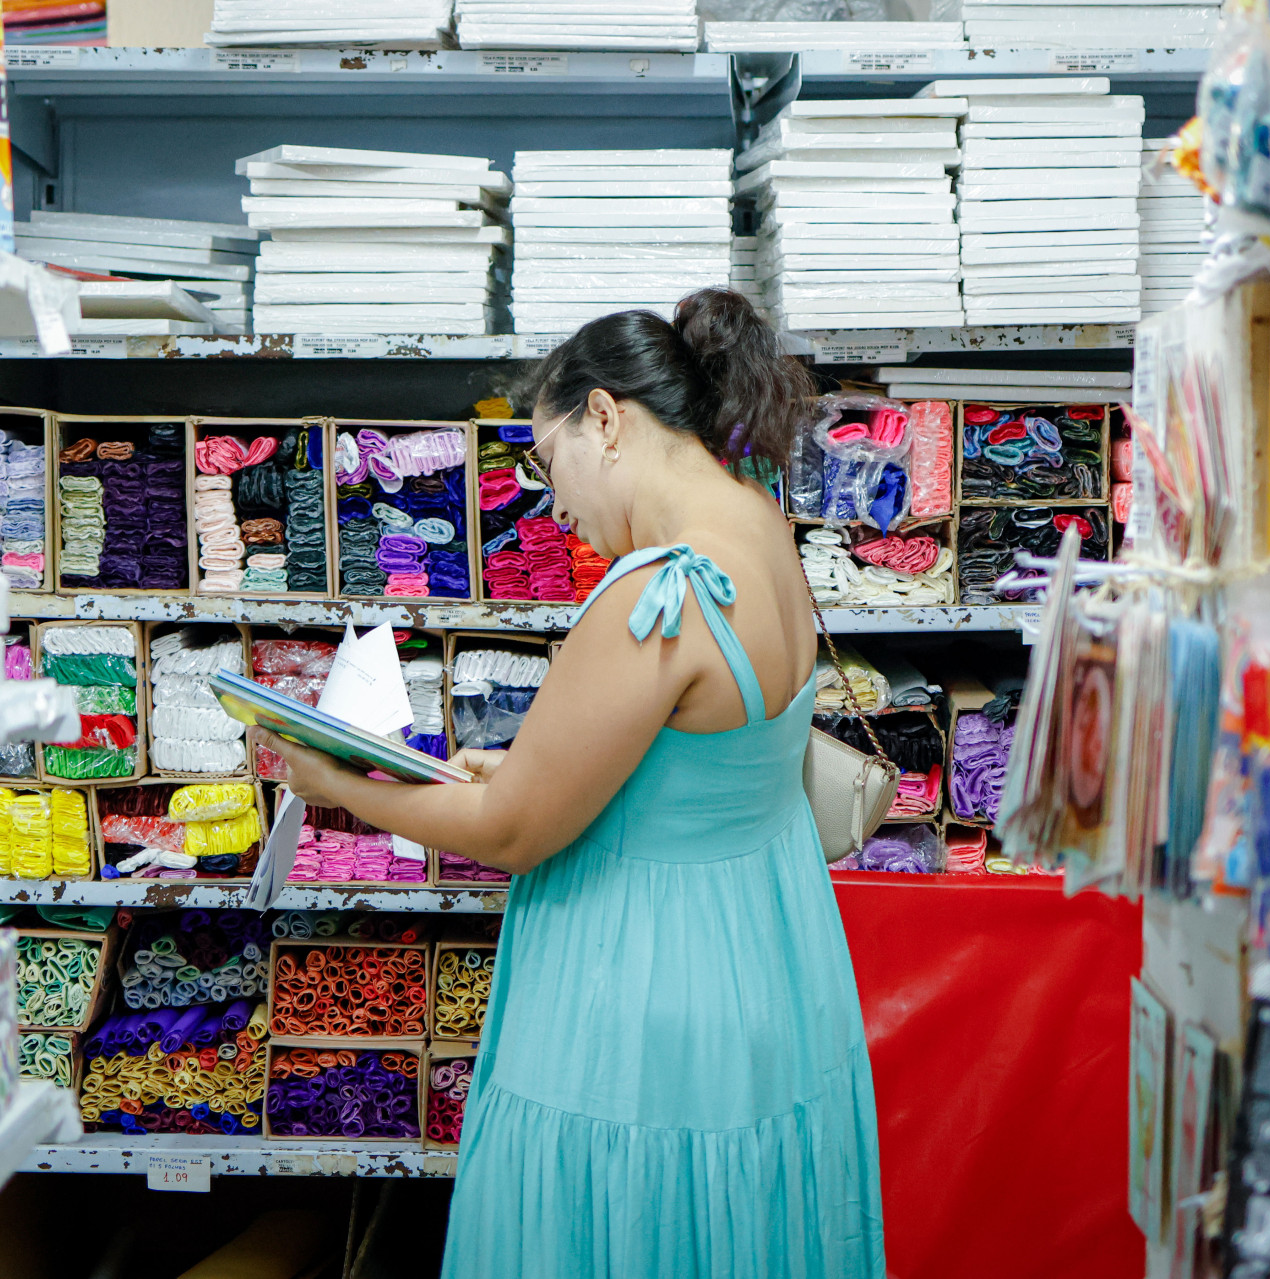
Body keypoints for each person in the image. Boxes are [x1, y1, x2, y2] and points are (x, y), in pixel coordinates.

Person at [255, 287, 885, 1278]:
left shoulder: (659, 593)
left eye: (549, 464)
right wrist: (538, 764)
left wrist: (334, 777)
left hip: (646, 995)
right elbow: (699, 757)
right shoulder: (764, 533)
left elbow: (509, 832)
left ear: (604, 417)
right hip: (769, 965)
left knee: (627, 1229)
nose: (555, 504)